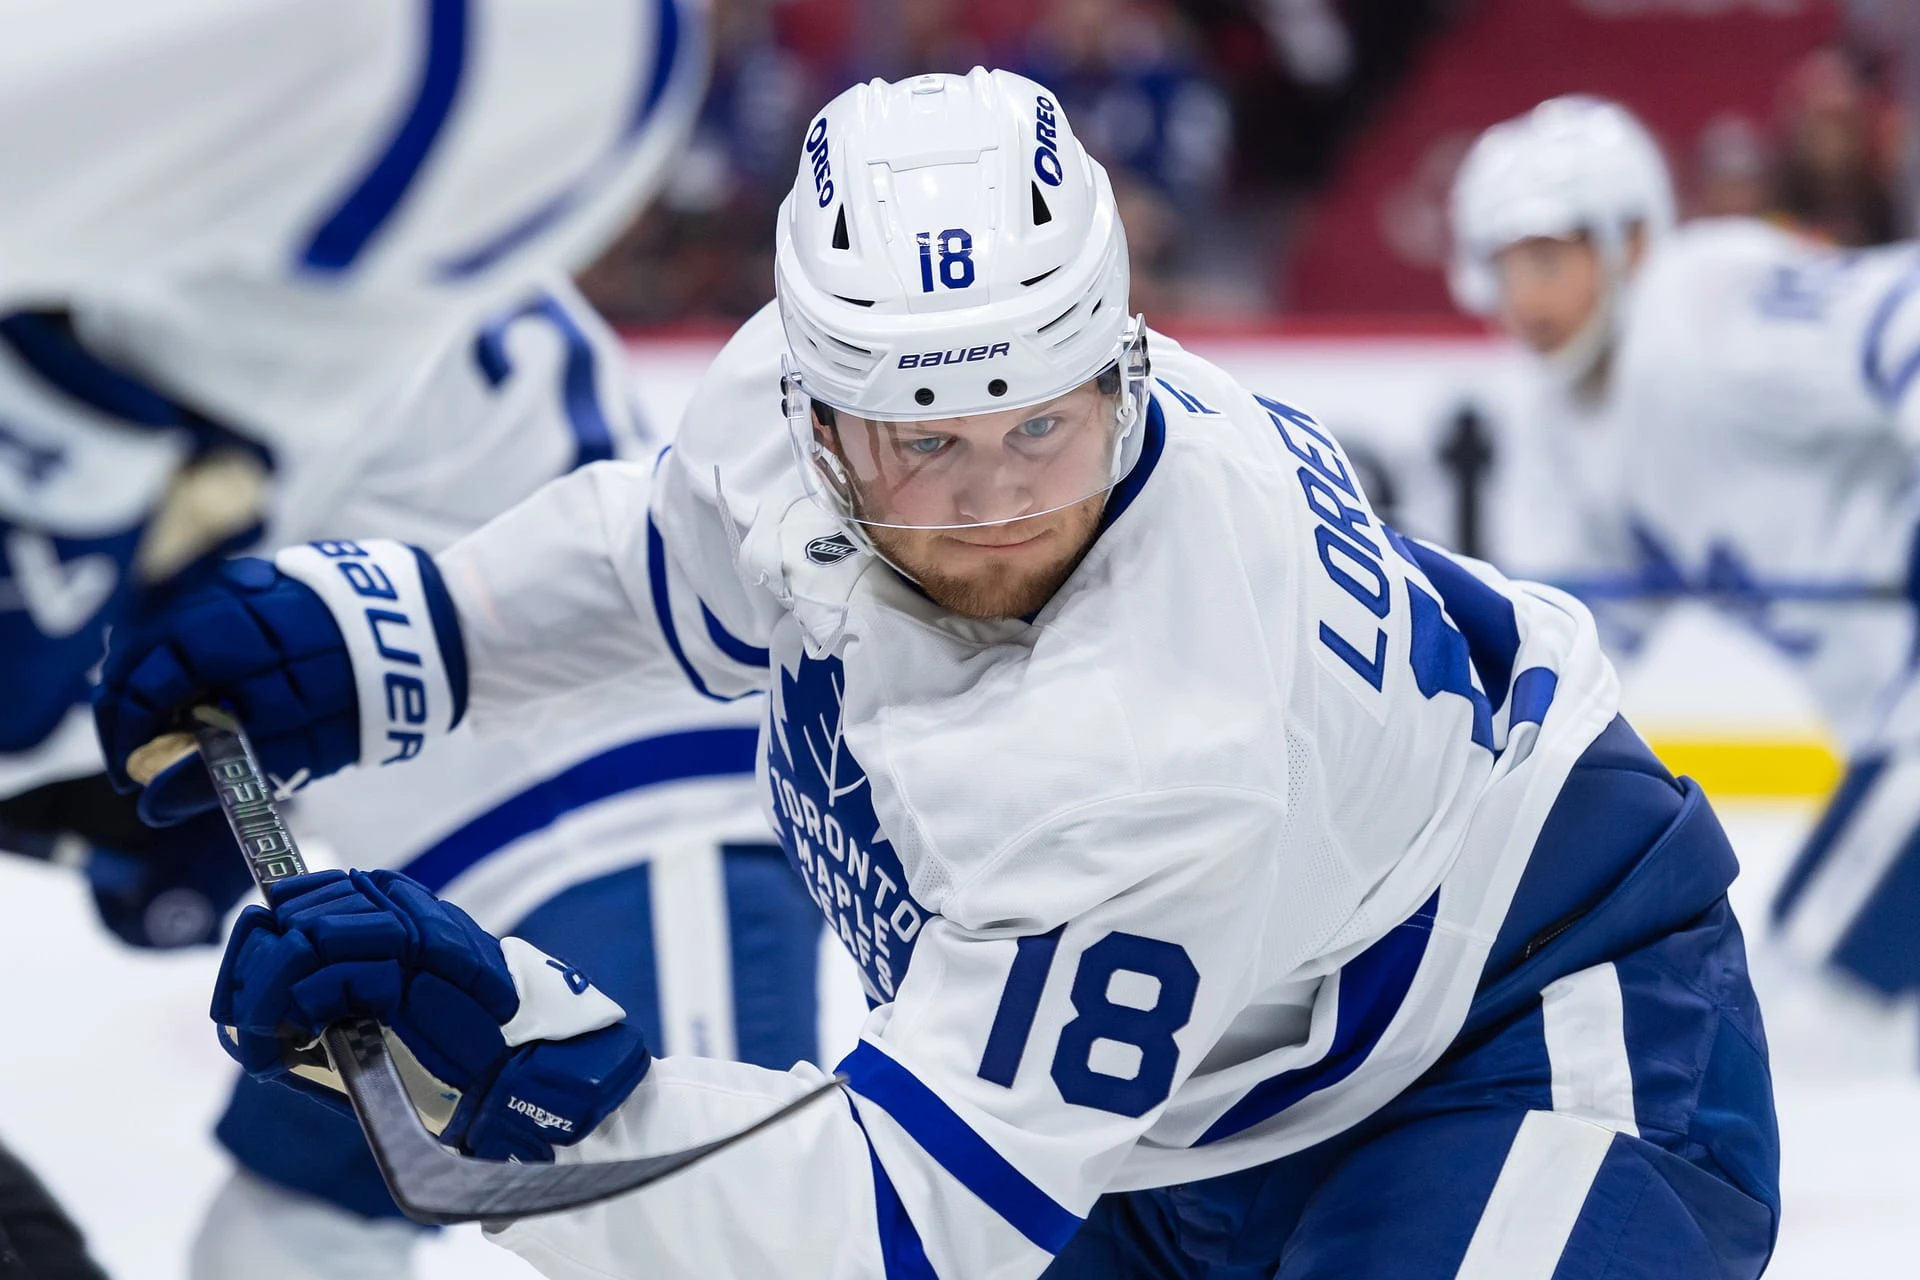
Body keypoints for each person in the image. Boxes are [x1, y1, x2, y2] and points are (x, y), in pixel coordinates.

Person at [97, 70, 1779, 1279]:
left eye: (1040, 432)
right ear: (815, 416)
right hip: (1204, 1089)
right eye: (925, 447)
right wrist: (393, 633)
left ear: (1122, 369)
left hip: (1513, 1036)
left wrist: (529, 1072)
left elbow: (899, 1230)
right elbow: (663, 569)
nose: (991, 513)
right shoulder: (803, 419)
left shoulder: (1148, 740)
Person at [1, 4, 821, 1274]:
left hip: (626, 813)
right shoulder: (285, 197)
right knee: (285, 1232)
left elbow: (86, 611)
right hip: (461, 810)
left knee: (724, 1239)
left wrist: (80, 774)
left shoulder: (203, 188)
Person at [1450, 96, 1920, 1062]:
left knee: (1828, 994)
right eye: (1506, 267)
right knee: (1806, 993)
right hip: (1883, 725)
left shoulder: (1706, 299)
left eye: (1548, 259)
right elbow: (1561, 661)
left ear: (1629, 241)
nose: (1524, 299)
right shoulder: (1556, 422)